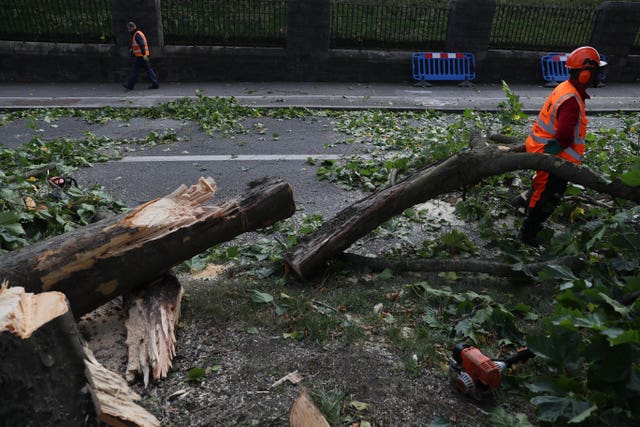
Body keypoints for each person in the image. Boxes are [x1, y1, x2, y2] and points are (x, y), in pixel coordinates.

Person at [518, 46, 606, 246]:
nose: (599, 75)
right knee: (548, 196)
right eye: (596, 71)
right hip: (553, 156)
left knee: (543, 189)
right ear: (585, 74)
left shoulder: (566, 89)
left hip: (544, 150)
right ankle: (528, 234)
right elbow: (565, 136)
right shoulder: (571, 100)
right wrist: (548, 156)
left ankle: (526, 210)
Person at [123, 21, 160, 90]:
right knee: (148, 70)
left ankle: (130, 85)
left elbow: (142, 44)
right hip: (142, 55)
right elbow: (139, 45)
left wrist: (143, 55)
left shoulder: (136, 34)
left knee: (135, 70)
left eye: (129, 29)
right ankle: (155, 83)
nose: (128, 30)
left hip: (140, 56)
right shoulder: (138, 33)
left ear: (132, 27)